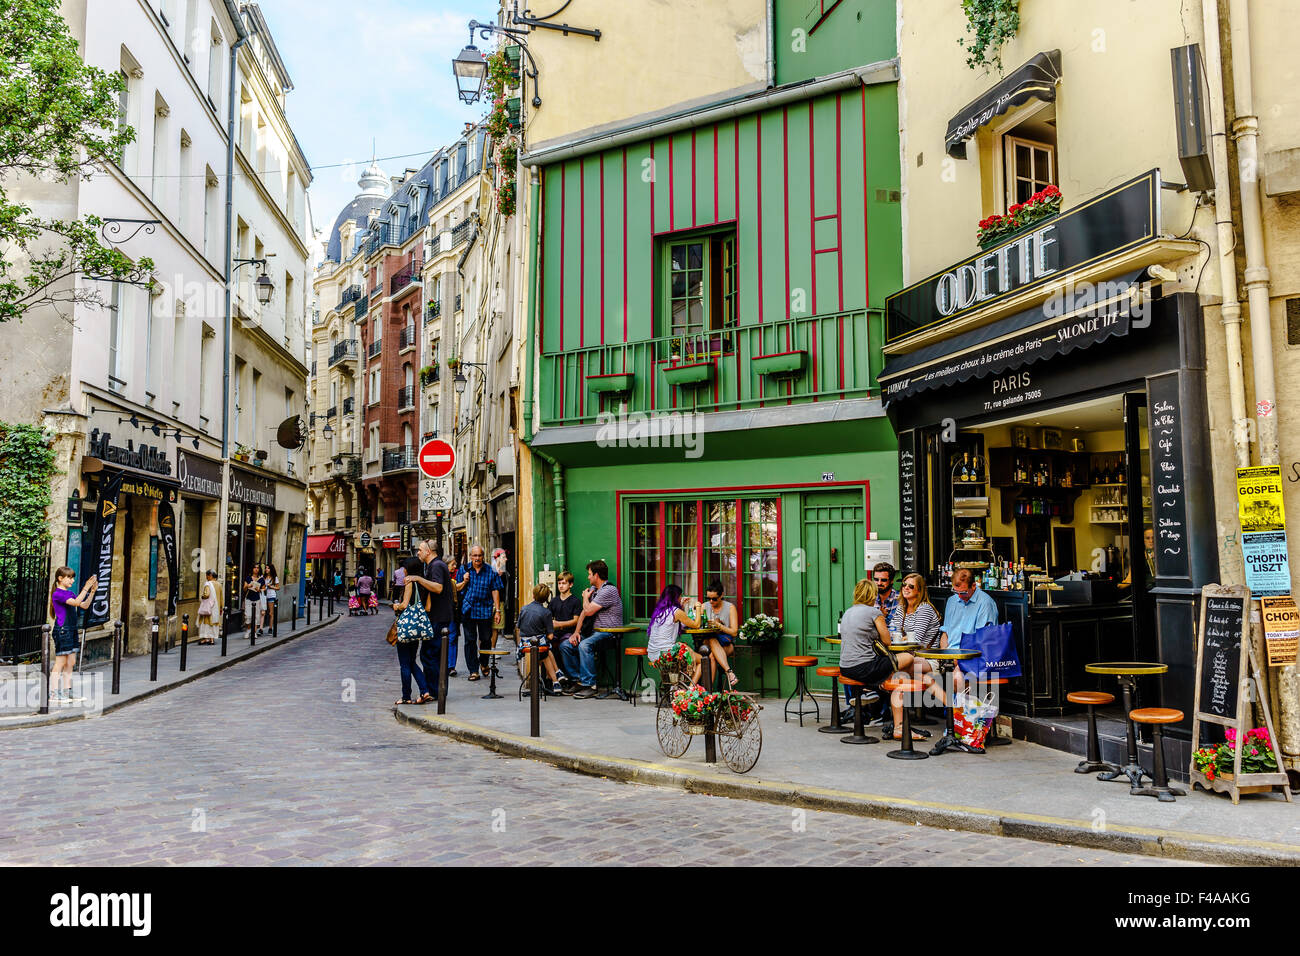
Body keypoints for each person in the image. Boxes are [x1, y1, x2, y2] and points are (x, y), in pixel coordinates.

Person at [839, 578, 934, 741]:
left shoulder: (849, 612)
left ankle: (874, 691)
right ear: (872, 595)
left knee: (899, 676)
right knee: (907, 659)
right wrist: (881, 618)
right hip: (865, 667)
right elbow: (887, 641)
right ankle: (897, 722)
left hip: (846, 667)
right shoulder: (873, 613)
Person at [559, 559, 623, 700]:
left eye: (589, 574)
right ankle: (578, 681)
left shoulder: (609, 590)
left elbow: (587, 610)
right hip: (594, 633)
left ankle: (590, 685)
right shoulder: (596, 590)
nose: (588, 577)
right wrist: (576, 632)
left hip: (609, 634)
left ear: (596, 575)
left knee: (585, 645)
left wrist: (585, 598)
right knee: (566, 645)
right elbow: (583, 613)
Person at [938, 567, 999, 693]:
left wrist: (958, 660)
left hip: (975, 656)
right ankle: (956, 710)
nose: (960, 596)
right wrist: (946, 655)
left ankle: (963, 711)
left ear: (974, 586)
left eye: (964, 592)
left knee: (957, 679)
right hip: (952, 655)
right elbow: (945, 633)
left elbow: (983, 641)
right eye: (956, 592)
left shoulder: (985, 603)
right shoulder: (952, 600)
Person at [392, 549, 437, 706]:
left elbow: (404, 605)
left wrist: (395, 606)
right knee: (412, 662)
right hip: (417, 627)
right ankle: (424, 691)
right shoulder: (425, 583)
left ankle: (406, 696)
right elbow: (429, 607)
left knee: (405, 663)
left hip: (406, 628)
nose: (403, 570)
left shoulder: (410, 582)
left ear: (408, 569)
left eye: (404, 567)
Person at [48, 568, 96, 703]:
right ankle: (53, 693)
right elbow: (75, 603)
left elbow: (84, 605)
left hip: (72, 630)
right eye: (69, 577)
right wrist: (86, 587)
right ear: (60, 578)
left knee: (71, 662)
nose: (72, 580)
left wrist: (92, 591)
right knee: (60, 662)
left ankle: (66, 691)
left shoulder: (69, 593)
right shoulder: (58, 594)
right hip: (63, 630)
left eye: (73, 577)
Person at [457, 545, 503, 682]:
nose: (477, 558)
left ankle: (483, 663)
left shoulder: (490, 570)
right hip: (468, 609)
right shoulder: (463, 570)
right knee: (470, 641)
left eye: (480, 555)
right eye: (475, 555)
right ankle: (473, 670)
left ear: (483, 556)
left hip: (485, 609)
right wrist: (464, 581)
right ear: (471, 556)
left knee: (486, 639)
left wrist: (497, 610)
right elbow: (456, 588)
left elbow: (495, 590)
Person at [645, 583, 706, 684]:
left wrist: (681, 606)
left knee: (685, 651)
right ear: (676, 597)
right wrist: (698, 607)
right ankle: (691, 690)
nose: (681, 598)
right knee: (703, 660)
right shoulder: (676, 612)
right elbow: (696, 625)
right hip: (666, 654)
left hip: (653, 654)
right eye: (680, 596)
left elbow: (678, 624)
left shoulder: (659, 611)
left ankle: (677, 686)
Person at [415, 540, 452, 696]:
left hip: (438, 618)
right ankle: (437, 690)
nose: (418, 553)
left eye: (420, 550)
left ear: (428, 551)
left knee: (429, 655)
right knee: (432, 655)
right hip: (438, 617)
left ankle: (435, 691)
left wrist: (418, 579)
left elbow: (438, 587)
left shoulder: (436, 566)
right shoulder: (435, 565)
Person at [517, 583, 564, 695]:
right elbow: (551, 636)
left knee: (545, 650)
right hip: (537, 645)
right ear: (546, 598)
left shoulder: (524, 609)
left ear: (533, 595)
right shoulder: (546, 612)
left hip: (524, 644)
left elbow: (519, 627)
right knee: (546, 650)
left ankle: (556, 677)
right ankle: (556, 679)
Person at [702, 579, 740, 688]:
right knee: (712, 640)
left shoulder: (730, 608)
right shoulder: (705, 607)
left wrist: (719, 626)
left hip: (726, 643)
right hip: (707, 643)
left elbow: (734, 632)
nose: (711, 602)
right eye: (708, 598)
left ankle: (708, 691)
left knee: (712, 656)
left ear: (721, 595)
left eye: (714, 599)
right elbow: (696, 624)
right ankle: (729, 673)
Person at [889, 573, 941, 649]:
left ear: (919, 591)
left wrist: (899, 639)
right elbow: (894, 631)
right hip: (907, 652)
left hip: (926, 655)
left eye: (911, 586)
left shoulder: (924, 608)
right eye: (904, 584)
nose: (906, 588)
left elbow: (916, 638)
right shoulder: (901, 607)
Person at [548, 571, 581, 686]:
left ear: (570, 585)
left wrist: (559, 624)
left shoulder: (575, 601)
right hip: (556, 633)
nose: (561, 586)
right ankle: (552, 679)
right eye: (559, 583)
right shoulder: (554, 601)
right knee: (545, 645)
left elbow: (576, 620)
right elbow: (548, 618)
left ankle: (574, 679)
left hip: (569, 633)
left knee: (564, 646)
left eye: (564, 583)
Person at [445, 557, 461, 675]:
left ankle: (451, 666)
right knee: (448, 638)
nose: (454, 566)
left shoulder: (458, 574)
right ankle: (446, 664)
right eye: (452, 564)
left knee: (452, 638)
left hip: (454, 611)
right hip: (445, 610)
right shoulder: (443, 575)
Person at [197, 569, 221, 645]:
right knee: (214, 623)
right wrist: (221, 607)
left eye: (207, 576)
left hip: (209, 607)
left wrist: (202, 597)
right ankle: (212, 639)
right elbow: (221, 597)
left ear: (210, 576)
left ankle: (206, 638)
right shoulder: (219, 584)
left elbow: (206, 594)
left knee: (206, 622)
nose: (206, 577)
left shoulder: (207, 584)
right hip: (216, 607)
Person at [243, 564, 263, 635]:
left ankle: (254, 632)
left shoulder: (261, 579)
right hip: (249, 599)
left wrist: (259, 589)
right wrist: (248, 586)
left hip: (257, 599)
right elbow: (244, 589)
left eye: (257, 568)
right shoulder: (248, 578)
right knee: (248, 615)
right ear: (252, 569)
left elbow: (264, 590)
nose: (256, 569)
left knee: (256, 616)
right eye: (255, 567)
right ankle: (248, 630)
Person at [262, 564, 279, 634]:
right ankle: (261, 628)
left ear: (271, 569)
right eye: (266, 568)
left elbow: (278, 588)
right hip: (263, 595)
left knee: (271, 613)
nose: (266, 569)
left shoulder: (274, 578)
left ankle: (270, 628)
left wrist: (271, 587)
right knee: (263, 612)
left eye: (268, 568)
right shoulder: (264, 577)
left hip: (271, 595)